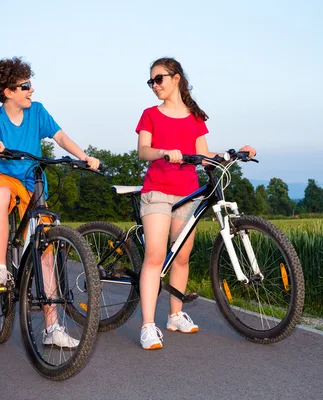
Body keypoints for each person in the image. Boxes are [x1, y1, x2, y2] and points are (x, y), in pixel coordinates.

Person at [0, 57, 100, 347]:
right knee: (1, 194)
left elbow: (60, 137)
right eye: (25, 85)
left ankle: (52, 328)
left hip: (33, 181)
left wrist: (83, 156)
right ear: (8, 91)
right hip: (6, 177)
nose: (32, 90)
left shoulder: (38, 112)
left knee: (45, 251)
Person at [135, 57, 256, 350]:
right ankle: (147, 326)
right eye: (151, 81)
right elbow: (143, 151)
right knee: (155, 255)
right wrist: (165, 152)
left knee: (183, 255)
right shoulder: (150, 114)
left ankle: (175, 315)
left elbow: (202, 156)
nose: (154, 86)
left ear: (176, 78)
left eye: (159, 79)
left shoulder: (195, 117)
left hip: (187, 192)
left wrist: (234, 153)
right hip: (158, 192)